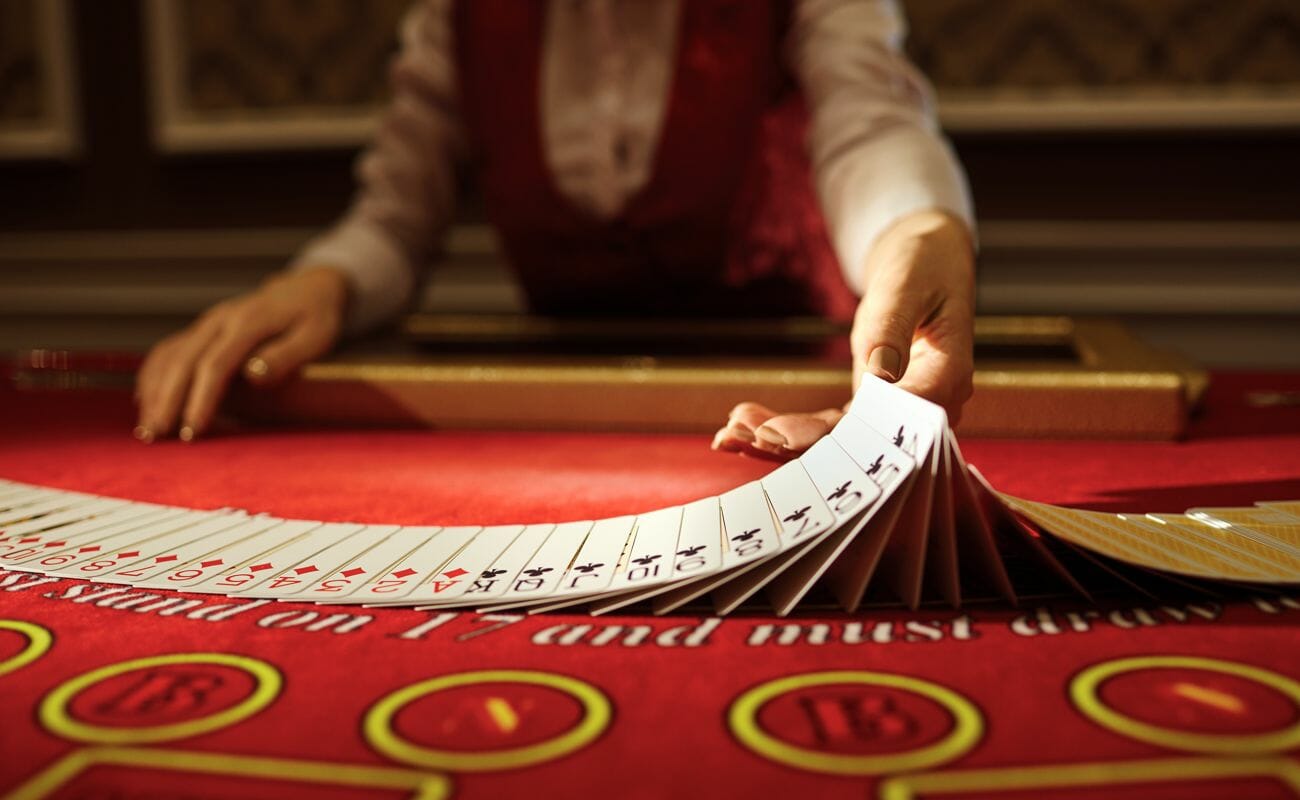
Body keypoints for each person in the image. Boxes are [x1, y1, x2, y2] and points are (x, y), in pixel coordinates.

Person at [134, 0, 976, 459]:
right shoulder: (455, 15)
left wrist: (919, 233)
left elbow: (871, 127)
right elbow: (395, 221)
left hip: (798, 401)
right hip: (561, 424)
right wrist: (318, 283)